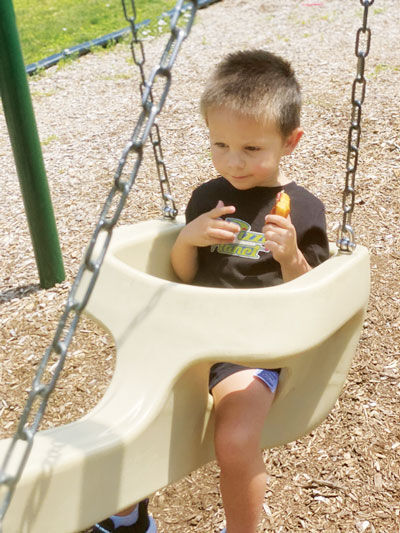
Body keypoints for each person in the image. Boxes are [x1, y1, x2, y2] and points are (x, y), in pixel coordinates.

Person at [93, 48, 329, 533]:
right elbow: (184, 274)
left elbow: (312, 296)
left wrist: (290, 257)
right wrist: (187, 239)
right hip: (190, 334)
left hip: (253, 347)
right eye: (219, 145)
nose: (233, 162)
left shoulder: (302, 209)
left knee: (236, 439)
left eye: (250, 149)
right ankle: (127, 515)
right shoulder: (207, 197)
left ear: (290, 142)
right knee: (131, 416)